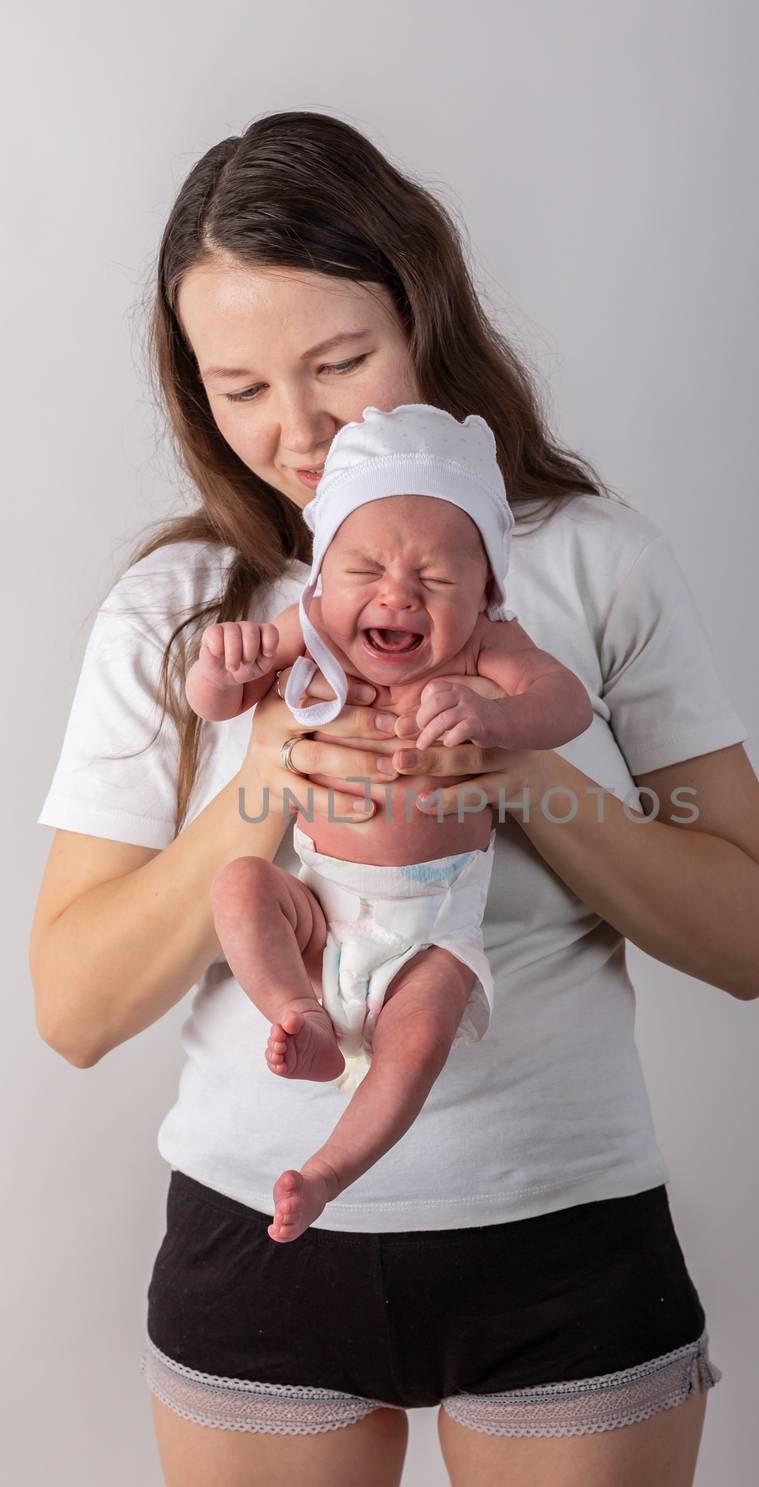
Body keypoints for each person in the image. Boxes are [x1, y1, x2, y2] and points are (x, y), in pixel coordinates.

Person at [30, 110, 759, 1487]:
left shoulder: (588, 564)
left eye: (338, 362)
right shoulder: (193, 613)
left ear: (423, 316)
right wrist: (261, 785)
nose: (297, 428)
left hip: (563, 1238)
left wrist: (528, 778)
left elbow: (748, 935)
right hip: (261, 1246)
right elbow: (74, 1006)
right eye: (240, 384)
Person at [185, 401, 592, 1242]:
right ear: (323, 576)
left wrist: (500, 722)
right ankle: (297, 1013)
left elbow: (566, 703)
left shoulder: (487, 648)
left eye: (438, 579)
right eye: (365, 568)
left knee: (418, 1039)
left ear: (486, 592)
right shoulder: (313, 631)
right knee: (242, 887)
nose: (398, 593)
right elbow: (220, 699)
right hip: (321, 915)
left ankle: (328, 1171)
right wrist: (222, 672)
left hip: (432, 930)